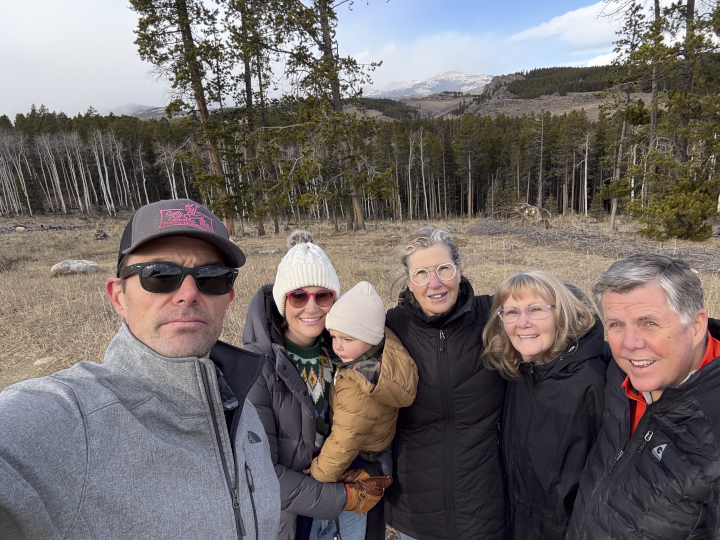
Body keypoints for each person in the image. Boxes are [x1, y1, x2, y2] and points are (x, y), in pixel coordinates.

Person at [0, 198, 280, 539]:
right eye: (160, 274)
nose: (189, 293)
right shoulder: (73, 419)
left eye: (212, 277)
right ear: (118, 296)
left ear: (229, 297)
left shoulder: (239, 405)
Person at [243, 231, 389, 540]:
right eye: (298, 296)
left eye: (322, 296)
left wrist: (375, 470)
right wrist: (341, 497)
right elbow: (262, 472)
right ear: (283, 301)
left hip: (350, 503)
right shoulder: (258, 367)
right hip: (297, 516)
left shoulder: (345, 351)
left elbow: (379, 417)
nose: (311, 308)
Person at [567, 253, 720, 539]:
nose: (629, 344)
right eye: (616, 324)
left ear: (696, 326)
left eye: (649, 323)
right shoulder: (619, 375)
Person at [383, 225, 506, 540]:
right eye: (421, 273)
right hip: (415, 514)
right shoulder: (390, 329)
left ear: (459, 268)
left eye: (443, 269)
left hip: (485, 509)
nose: (434, 284)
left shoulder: (494, 318)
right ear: (409, 280)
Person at [481, 270, 607, 540]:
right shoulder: (519, 373)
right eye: (511, 312)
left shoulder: (591, 382)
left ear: (561, 314)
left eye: (536, 309)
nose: (522, 323)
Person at [310, 281, 418, 484]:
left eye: (347, 339)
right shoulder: (379, 353)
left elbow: (345, 440)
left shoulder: (360, 385)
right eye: (334, 336)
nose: (337, 346)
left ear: (371, 337)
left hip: (360, 456)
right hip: (373, 446)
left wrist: (319, 473)